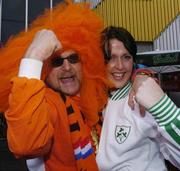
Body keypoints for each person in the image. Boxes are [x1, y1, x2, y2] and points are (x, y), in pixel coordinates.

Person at [0, 2, 109, 170]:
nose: (67, 67)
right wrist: (34, 56)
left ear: (84, 63)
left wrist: (141, 75)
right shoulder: (48, 103)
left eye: (73, 59)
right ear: (46, 72)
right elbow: (25, 144)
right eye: (57, 61)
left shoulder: (94, 100)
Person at [96, 26, 180, 171]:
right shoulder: (97, 99)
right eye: (111, 58)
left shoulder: (141, 99)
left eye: (126, 57)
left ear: (133, 61)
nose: (120, 66)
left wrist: (162, 107)